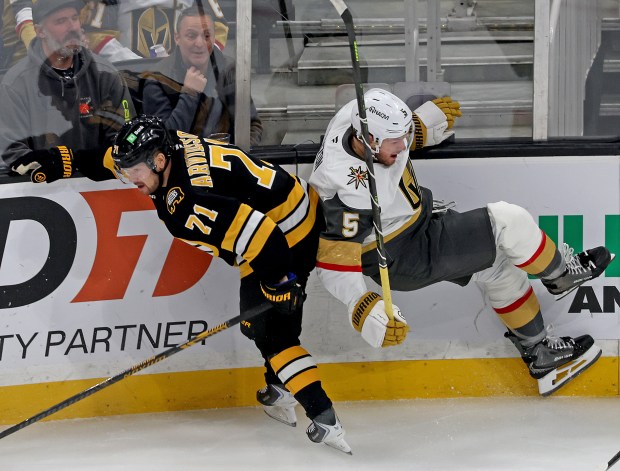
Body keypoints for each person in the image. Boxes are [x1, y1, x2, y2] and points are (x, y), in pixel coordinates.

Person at [9, 115, 352, 454]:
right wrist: (59, 161)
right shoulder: (164, 146)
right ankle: (279, 386)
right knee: (260, 322)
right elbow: (113, 160)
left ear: (158, 161)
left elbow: (265, 237)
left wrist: (279, 282)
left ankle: (322, 416)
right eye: (127, 171)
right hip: (282, 209)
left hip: (288, 234)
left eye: (135, 172)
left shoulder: (186, 202)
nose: (129, 179)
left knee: (272, 331)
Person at [308, 88, 614, 396]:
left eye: (404, 135)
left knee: (499, 270)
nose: (403, 145)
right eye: (394, 139)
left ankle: (541, 354)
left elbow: (395, 139)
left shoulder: (357, 118)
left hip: (417, 227)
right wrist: (359, 303)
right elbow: (334, 262)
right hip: (405, 255)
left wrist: (416, 128)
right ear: (368, 140)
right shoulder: (344, 192)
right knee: (510, 221)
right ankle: (561, 275)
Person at [0, 0, 135, 173]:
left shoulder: (106, 75)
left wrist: (91, 163)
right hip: (41, 191)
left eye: (74, 18)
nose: (72, 27)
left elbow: (125, 139)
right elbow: (11, 149)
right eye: (61, 21)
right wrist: (45, 166)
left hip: (100, 187)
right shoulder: (15, 84)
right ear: (39, 31)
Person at [141, 5, 262, 145]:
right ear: (177, 38)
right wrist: (190, 94)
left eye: (206, 35)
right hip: (181, 163)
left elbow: (252, 125)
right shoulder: (157, 79)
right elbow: (163, 141)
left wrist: (237, 158)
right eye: (191, 35)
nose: (200, 43)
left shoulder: (229, 69)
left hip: (224, 160)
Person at [2, 0, 141, 68]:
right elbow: (25, 26)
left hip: (67, 43)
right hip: (24, 56)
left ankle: (144, 67)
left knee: (106, 44)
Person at [116, 0, 229, 57]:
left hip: (181, 78)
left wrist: (198, 59)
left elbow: (218, 27)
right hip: (125, 77)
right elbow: (99, 34)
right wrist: (129, 61)